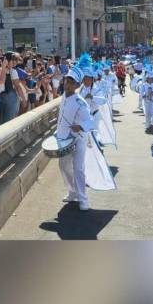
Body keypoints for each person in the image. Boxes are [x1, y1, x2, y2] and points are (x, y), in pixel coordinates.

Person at [56, 67, 97, 210]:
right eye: (66, 80)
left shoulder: (81, 102)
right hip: (63, 139)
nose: (67, 83)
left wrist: (79, 126)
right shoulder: (63, 96)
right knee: (63, 166)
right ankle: (72, 192)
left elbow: (92, 122)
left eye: (71, 82)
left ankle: (83, 199)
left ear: (77, 85)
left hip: (78, 138)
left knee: (78, 168)